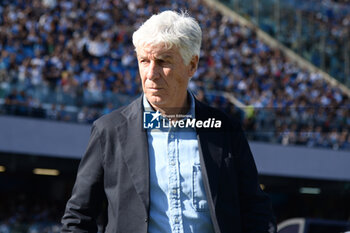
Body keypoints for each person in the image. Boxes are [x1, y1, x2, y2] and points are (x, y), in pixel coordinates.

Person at [61, 11, 276, 233]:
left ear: (192, 65)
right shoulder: (109, 131)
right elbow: (78, 217)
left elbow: (256, 211)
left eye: (163, 61)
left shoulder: (225, 130)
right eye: (144, 61)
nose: (151, 73)